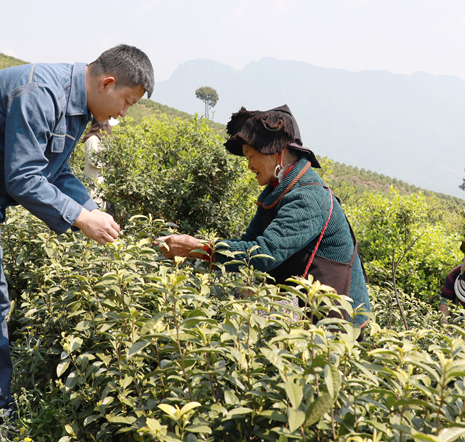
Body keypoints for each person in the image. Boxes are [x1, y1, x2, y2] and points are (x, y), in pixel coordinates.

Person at [0, 45, 153, 429]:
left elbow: (54, 171)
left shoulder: (75, 105)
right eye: (127, 102)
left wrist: (90, 209)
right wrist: (80, 219)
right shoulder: (40, 94)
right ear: (107, 83)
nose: (124, 113)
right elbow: (23, 178)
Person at [158, 105, 372, 328]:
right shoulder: (276, 192)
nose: (249, 166)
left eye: (251, 156)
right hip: (308, 307)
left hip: (340, 318)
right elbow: (249, 243)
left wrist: (197, 248)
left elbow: (265, 254)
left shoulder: (308, 197)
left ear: (277, 152)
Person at [82, 118, 113, 209]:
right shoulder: (92, 139)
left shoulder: (99, 140)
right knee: (94, 207)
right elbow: (94, 161)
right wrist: (108, 161)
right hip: (93, 181)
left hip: (100, 182)